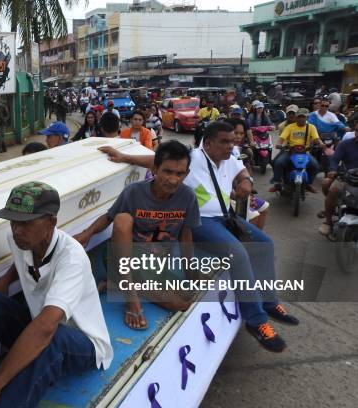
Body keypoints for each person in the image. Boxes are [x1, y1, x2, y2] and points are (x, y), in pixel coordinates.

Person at [97, 122, 299, 352]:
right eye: (224, 142)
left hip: (227, 217)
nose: (230, 146)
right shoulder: (193, 157)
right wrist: (124, 157)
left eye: (232, 141)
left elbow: (242, 172)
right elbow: (157, 163)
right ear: (209, 143)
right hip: (204, 221)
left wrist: (246, 181)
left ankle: (270, 302)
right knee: (239, 255)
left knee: (265, 244)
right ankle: (256, 320)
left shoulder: (230, 158)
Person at [0, 182, 113, 408]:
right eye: (13, 222)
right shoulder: (21, 241)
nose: (16, 230)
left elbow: (46, 327)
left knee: (50, 337)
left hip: (83, 344)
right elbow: (22, 261)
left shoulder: (72, 258)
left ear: (51, 222)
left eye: (25, 223)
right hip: (40, 323)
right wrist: (5, 281)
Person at [74, 141, 200, 329]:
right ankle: (131, 298)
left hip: (154, 265)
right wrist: (86, 234)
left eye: (179, 174)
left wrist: (192, 273)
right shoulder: (134, 192)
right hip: (122, 258)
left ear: (187, 174)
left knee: (183, 302)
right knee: (123, 219)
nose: (173, 179)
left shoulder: (188, 197)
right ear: (155, 168)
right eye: (167, 171)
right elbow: (109, 217)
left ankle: (117, 284)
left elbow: (186, 236)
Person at [319, 118, 358, 236]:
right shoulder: (346, 143)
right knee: (332, 188)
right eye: (357, 130)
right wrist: (333, 170)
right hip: (347, 178)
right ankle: (328, 221)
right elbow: (335, 159)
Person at [271, 108, 323, 193]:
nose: (301, 119)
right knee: (278, 163)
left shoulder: (311, 127)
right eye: (299, 117)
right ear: (296, 117)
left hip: (304, 152)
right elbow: (281, 138)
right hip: (290, 151)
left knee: (315, 166)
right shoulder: (290, 127)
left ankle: (308, 184)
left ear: (307, 118)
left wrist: (321, 143)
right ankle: (277, 183)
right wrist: (279, 144)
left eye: (303, 117)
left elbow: (317, 138)